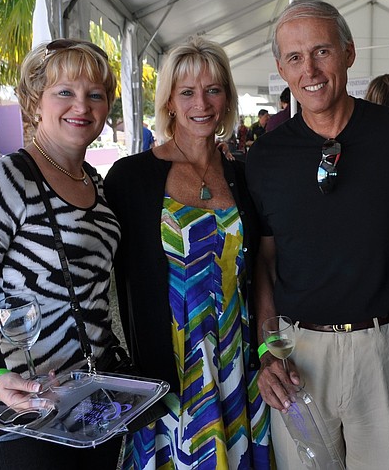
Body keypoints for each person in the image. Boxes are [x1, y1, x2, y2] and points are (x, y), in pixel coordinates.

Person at [246, 0, 389, 469]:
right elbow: (265, 263)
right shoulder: (265, 157)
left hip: (386, 348)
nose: (309, 69)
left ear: (349, 53)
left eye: (321, 52)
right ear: (281, 69)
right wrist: (269, 348)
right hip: (298, 354)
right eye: (294, 58)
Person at [0, 39, 122, 469]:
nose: (81, 105)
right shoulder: (4, 182)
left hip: (88, 404)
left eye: (95, 94)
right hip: (15, 417)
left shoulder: (96, 186)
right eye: (65, 91)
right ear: (34, 101)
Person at [104, 36, 270, 469]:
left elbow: (262, 265)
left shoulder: (243, 176)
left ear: (228, 99)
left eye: (213, 90)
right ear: (170, 102)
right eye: (188, 92)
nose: (203, 102)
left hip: (237, 358)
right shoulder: (131, 178)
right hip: (171, 367)